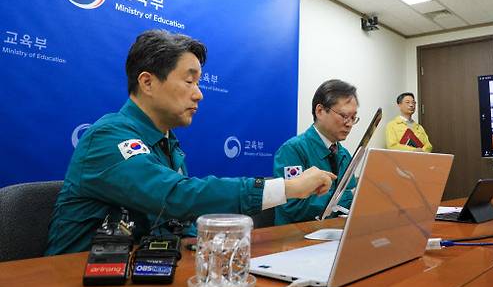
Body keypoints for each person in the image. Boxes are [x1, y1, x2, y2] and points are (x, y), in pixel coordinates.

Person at [46, 30, 334, 255]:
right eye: (189, 81)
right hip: (76, 282)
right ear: (147, 83)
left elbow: (176, 220)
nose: (199, 94)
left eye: (199, 83)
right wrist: (287, 187)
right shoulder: (106, 137)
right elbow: (175, 197)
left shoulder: (169, 144)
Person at [274, 80, 362, 225]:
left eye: (353, 117)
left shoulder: (344, 154)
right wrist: (348, 197)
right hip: (295, 238)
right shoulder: (292, 150)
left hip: (333, 235)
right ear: (320, 111)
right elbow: (293, 206)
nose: (349, 124)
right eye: (344, 116)